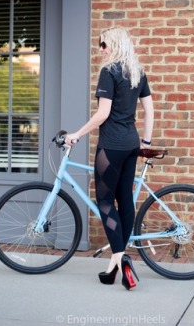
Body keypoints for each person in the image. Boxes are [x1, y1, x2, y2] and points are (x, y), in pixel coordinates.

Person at [64, 27, 154, 290]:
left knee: (104, 200)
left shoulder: (109, 72)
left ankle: (119, 256)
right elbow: (149, 110)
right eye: (99, 44)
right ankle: (114, 266)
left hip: (111, 146)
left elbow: (103, 114)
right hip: (131, 144)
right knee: (124, 198)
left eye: (104, 44)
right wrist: (145, 143)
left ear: (115, 45)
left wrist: (77, 134)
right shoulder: (138, 72)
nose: (100, 49)